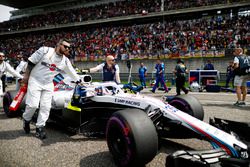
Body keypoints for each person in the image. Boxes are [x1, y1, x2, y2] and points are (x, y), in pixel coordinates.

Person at [21, 39, 81, 139]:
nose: (67, 49)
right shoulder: (44, 50)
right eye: (65, 46)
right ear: (58, 44)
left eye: (69, 48)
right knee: (33, 105)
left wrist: (80, 82)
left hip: (49, 84)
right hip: (35, 80)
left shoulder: (65, 61)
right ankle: (26, 120)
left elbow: (73, 74)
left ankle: (40, 127)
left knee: (46, 106)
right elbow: (31, 62)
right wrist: (26, 77)